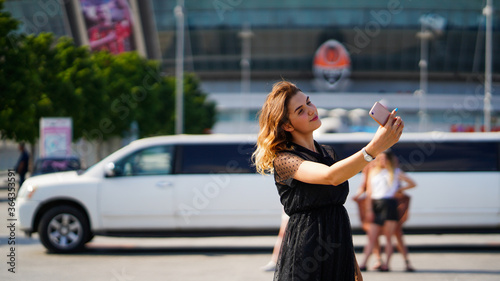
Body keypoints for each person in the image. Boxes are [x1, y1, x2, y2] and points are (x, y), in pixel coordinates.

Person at [252, 81, 404, 280]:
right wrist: (374, 148)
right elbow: (330, 177)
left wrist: (355, 269)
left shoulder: (328, 152)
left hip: (338, 253)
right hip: (307, 255)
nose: (310, 110)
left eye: (308, 102)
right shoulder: (284, 159)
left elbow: (336, 212)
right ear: (287, 125)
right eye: (300, 110)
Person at [358, 151, 416, 272]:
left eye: (385, 159)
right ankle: (364, 263)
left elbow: (412, 183)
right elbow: (368, 192)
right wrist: (369, 209)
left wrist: (399, 189)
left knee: (389, 237)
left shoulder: (395, 172)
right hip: (376, 204)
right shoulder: (372, 172)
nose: (382, 161)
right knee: (372, 236)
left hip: (389, 204)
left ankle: (387, 264)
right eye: (380, 159)